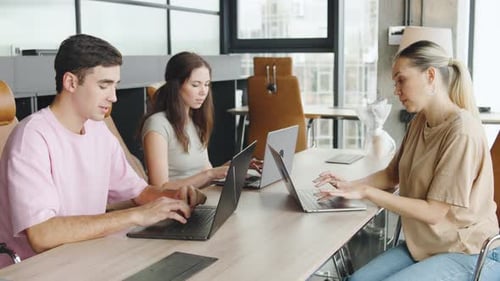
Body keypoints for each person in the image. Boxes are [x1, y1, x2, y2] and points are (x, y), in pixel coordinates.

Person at [0, 34, 206, 269]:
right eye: (103, 85)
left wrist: (175, 199)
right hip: (36, 269)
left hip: (86, 258)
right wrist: (135, 216)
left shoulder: (98, 131)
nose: (114, 96)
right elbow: (42, 234)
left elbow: (139, 192)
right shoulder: (32, 137)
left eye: (115, 85)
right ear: (70, 82)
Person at [314, 40, 500, 280]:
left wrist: (367, 193)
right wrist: (349, 186)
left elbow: (434, 213)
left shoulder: (462, 131)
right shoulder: (419, 122)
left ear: (430, 76)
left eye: (401, 80)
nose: (396, 90)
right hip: (427, 247)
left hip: (470, 252)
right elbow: (391, 176)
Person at [140, 52, 229, 188]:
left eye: (206, 84)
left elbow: (205, 173)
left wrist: (234, 167)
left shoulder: (195, 121)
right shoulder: (157, 124)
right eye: (195, 85)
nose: (203, 91)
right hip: (175, 204)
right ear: (176, 86)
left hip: (203, 197)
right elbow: (159, 187)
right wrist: (210, 174)